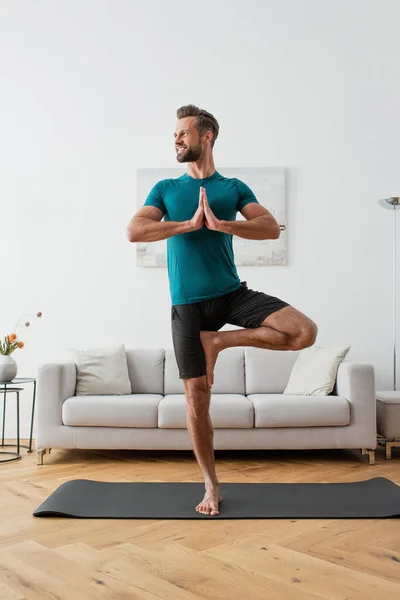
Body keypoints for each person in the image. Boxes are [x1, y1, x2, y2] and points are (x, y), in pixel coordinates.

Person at [126, 105, 318, 517]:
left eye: (183, 133)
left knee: (304, 331)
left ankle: (219, 341)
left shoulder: (232, 187)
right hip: (187, 307)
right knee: (197, 400)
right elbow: (134, 231)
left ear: (206, 136)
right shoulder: (165, 188)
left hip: (232, 294)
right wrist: (187, 225)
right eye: (174, 135)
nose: (176, 140)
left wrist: (221, 224)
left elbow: (268, 227)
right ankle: (211, 484)